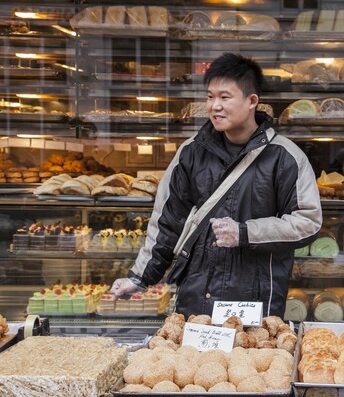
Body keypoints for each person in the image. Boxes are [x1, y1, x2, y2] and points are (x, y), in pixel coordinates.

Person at [110, 53, 322, 318]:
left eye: (225, 97)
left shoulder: (285, 157)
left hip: (253, 299)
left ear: (252, 101)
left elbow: (308, 222)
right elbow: (167, 221)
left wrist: (245, 233)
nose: (214, 106)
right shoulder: (191, 152)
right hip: (196, 295)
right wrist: (140, 277)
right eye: (210, 97)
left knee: (250, 359)